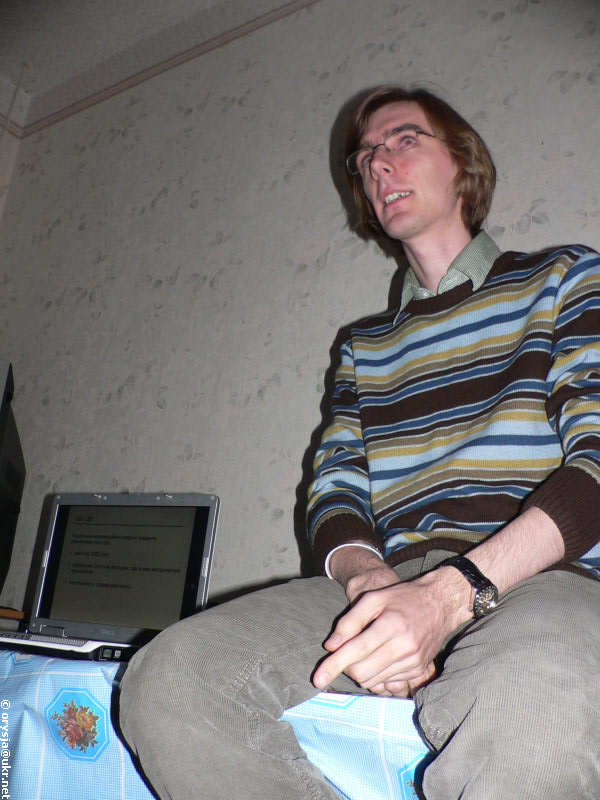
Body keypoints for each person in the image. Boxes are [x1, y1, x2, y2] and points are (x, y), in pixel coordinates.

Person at [119, 85, 600, 799]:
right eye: (366, 155)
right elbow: (335, 490)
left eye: (404, 139)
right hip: (395, 577)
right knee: (171, 680)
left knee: (533, 707)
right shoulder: (363, 346)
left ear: (462, 163)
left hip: (544, 577)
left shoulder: (564, 278)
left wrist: (449, 597)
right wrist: (369, 582)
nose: (378, 162)